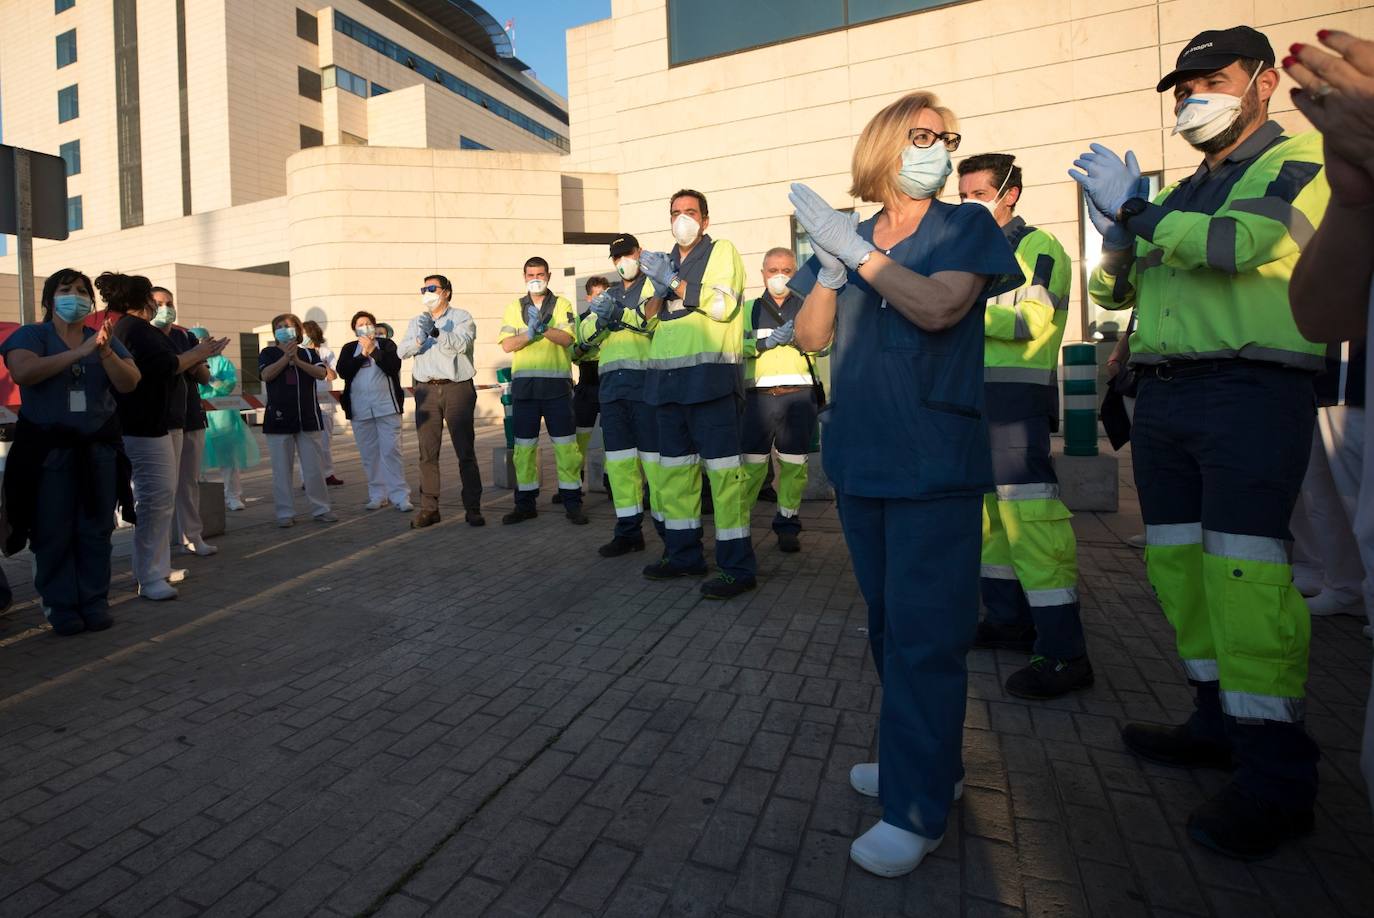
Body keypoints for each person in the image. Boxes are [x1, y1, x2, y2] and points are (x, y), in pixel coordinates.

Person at [1078, 25, 1330, 859]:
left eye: (1210, 80)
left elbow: (1240, 246)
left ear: (1261, 81)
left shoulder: (1298, 163)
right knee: (1179, 566)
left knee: (1245, 578)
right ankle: (1214, 720)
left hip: (1250, 392)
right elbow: (1116, 286)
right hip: (1168, 395)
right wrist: (1116, 233)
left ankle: (1277, 777)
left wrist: (1137, 213)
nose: (1192, 100)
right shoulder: (1183, 187)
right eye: (1182, 90)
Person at [790, 91, 1021, 877]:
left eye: (948, 139)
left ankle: (917, 809)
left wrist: (857, 259)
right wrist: (827, 264)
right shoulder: (849, 235)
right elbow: (811, 337)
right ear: (886, 144)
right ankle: (921, 762)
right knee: (891, 628)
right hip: (862, 456)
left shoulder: (967, 226)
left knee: (928, 635)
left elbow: (938, 306)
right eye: (923, 136)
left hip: (931, 457)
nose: (940, 151)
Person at [956, 153, 1091, 699]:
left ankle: (1063, 649)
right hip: (974, 400)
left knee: (1031, 520)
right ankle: (1008, 620)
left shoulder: (1038, 247)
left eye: (976, 194)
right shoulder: (971, 253)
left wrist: (955, 308)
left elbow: (1028, 320)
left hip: (1015, 402)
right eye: (960, 195)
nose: (966, 204)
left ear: (1008, 193)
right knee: (991, 519)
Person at [1284, 26, 1374, 818]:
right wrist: (1357, 194)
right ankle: (1340, 583)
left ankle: (1342, 584)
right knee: (1324, 493)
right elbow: (1322, 311)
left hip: (1292, 384)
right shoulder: (1340, 178)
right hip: (1338, 381)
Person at [0, 269, 140, 634]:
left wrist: (105, 352)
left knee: (95, 530)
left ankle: (93, 601)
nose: (74, 296)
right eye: (66, 290)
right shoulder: (32, 335)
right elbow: (23, 372)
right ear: (50, 299)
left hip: (97, 452)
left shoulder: (101, 338)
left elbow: (130, 381)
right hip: (49, 452)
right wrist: (78, 353)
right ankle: (61, 606)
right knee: (53, 530)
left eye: (81, 291)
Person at [637, 190, 756, 599]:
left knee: (725, 479)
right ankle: (684, 554)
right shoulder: (662, 261)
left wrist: (673, 282)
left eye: (690, 212)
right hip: (667, 387)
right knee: (675, 478)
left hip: (710, 383)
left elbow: (722, 306)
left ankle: (737, 567)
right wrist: (657, 288)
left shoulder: (722, 251)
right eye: (675, 213)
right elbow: (645, 320)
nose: (681, 219)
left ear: (705, 220)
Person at [105, 273, 227, 600]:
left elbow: (183, 368)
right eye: (153, 300)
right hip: (143, 425)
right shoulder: (134, 329)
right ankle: (149, 575)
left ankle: (157, 568)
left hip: (156, 423)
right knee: (155, 500)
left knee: (161, 499)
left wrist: (199, 352)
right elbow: (165, 367)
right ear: (140, 300)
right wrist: (201, 351)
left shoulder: (137, 329)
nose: (159, 307)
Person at [582, 235, 662, 556]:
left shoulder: (654, 287)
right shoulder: (608, 294)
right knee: (619, 466)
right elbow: (584, 335)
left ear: (638, 253)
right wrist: (602, 317)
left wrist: (619, 315)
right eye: (617, 258)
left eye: (627, 254)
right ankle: (628, 532)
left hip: (646, 389)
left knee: (656, 466)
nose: (622, 261)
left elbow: (651, 322)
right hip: (613, 392)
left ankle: (669, 531)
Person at [740, 247, 823, 554]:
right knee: (751, 468)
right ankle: (739, 525)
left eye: (786, 270)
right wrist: (764, 342)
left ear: (795, 272)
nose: (779, 277)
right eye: (773, 270)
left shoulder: (808, 306)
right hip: (758, 399)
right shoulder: (748, 309)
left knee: (793, 467)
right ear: (763, 274)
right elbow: (734, 345)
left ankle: (788, 524)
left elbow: (824, 344)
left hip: (797, 398)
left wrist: (802, 339)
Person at [498, 258, 585, 525]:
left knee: (566, 448)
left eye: (540, 274)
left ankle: (572, 502)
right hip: (525, 390)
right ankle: (525, 504)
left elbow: (568, 338)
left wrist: (544, 329)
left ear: (548, 275)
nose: (535, 278)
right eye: (530, 274)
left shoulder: (562, 305)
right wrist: (529, 335)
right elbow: (507, 345)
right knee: (523, 449)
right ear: (524, 277)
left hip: (557, 388)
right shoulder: (514, 307)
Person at [398, 275, 484, 528]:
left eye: (432, 288)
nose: (427, 292)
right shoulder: (417, 321)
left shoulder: (462, 317)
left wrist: (436, 332)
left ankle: (473, 507)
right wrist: (419, 338)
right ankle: (429, 508)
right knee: (427, 453)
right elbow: (402, 351)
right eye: (423, 288)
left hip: (456, 387)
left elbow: (461, 344)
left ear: (445, 292)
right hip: (425, 389)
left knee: (464, 450)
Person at [1288, 343, 1365, 615]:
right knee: (1317, 497)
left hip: (1352, 386)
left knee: (1355, 501)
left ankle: (1352, 587)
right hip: (1318, 386)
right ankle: (1339, 582)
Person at [151, 288, 217, 557]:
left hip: (191, 415)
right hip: (159, 420)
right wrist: (191, 357)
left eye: (169, 303)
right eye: (158, 304)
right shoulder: (146, 336)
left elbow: (203, 377)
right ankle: (161, 544)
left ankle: (192, 536)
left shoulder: (185, 335)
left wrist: (195, 359)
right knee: (162, 486)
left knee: (188, 481)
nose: (166, 308)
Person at [259, 313, 335, 527]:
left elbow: (322, 374)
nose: (285, 329)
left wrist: (297, 360)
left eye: (290, 326)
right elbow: (266, 375)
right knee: (281, 469)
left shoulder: (309, 354)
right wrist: (285, 359)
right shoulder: (268, 352)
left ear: (299, 331)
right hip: (278, 420)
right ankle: (285, 513)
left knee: (314, 468)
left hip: (308, 418)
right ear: (275, 332)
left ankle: (321, 509)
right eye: (280, 326)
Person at [337, 310, 411, 512]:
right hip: (360, 410)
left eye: (368, 323)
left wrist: (373, 350)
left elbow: (392, 366)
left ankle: (400, 496)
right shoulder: (349, 348)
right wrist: (362, 353)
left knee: (391, 452)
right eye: (360, 324)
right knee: (370, 455)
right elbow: (343, 371)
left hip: (386, 408)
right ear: (354, 329)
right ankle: (378, 495)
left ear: (374, 326)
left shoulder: (386, 345)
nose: (365, 326)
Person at [193, 326, 260, 512]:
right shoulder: (189, 362)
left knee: (228, 460)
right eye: (196, 341)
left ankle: (233, 496)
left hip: (223, 417)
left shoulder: (222, 362)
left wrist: (209, 376)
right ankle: (197, 497)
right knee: (196, 461)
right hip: (197, 417)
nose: (200, 344)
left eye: (202, 340)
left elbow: (228, 386)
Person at [561, 275, 609, 505]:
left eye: (605, 294)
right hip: (588, 384)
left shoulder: (615, 319)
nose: (601, 299)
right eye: (597, 295)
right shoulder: (579, 321)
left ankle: (612, 486)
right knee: (579, 438)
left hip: (609, 381)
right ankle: (573, 486)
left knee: (614, 437)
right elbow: (572, 354)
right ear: (588, 297)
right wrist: (585, 346)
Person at [301, 320, 343, 487]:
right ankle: (307, 479)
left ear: (312, 334)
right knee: (308, 443)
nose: (302, 336)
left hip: (325, 403)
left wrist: (320, 360)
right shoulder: (299, 352)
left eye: (304, 333)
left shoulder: (326, 351)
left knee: (325, 443)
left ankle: (328, 474)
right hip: (306, 401)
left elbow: (332, 376)